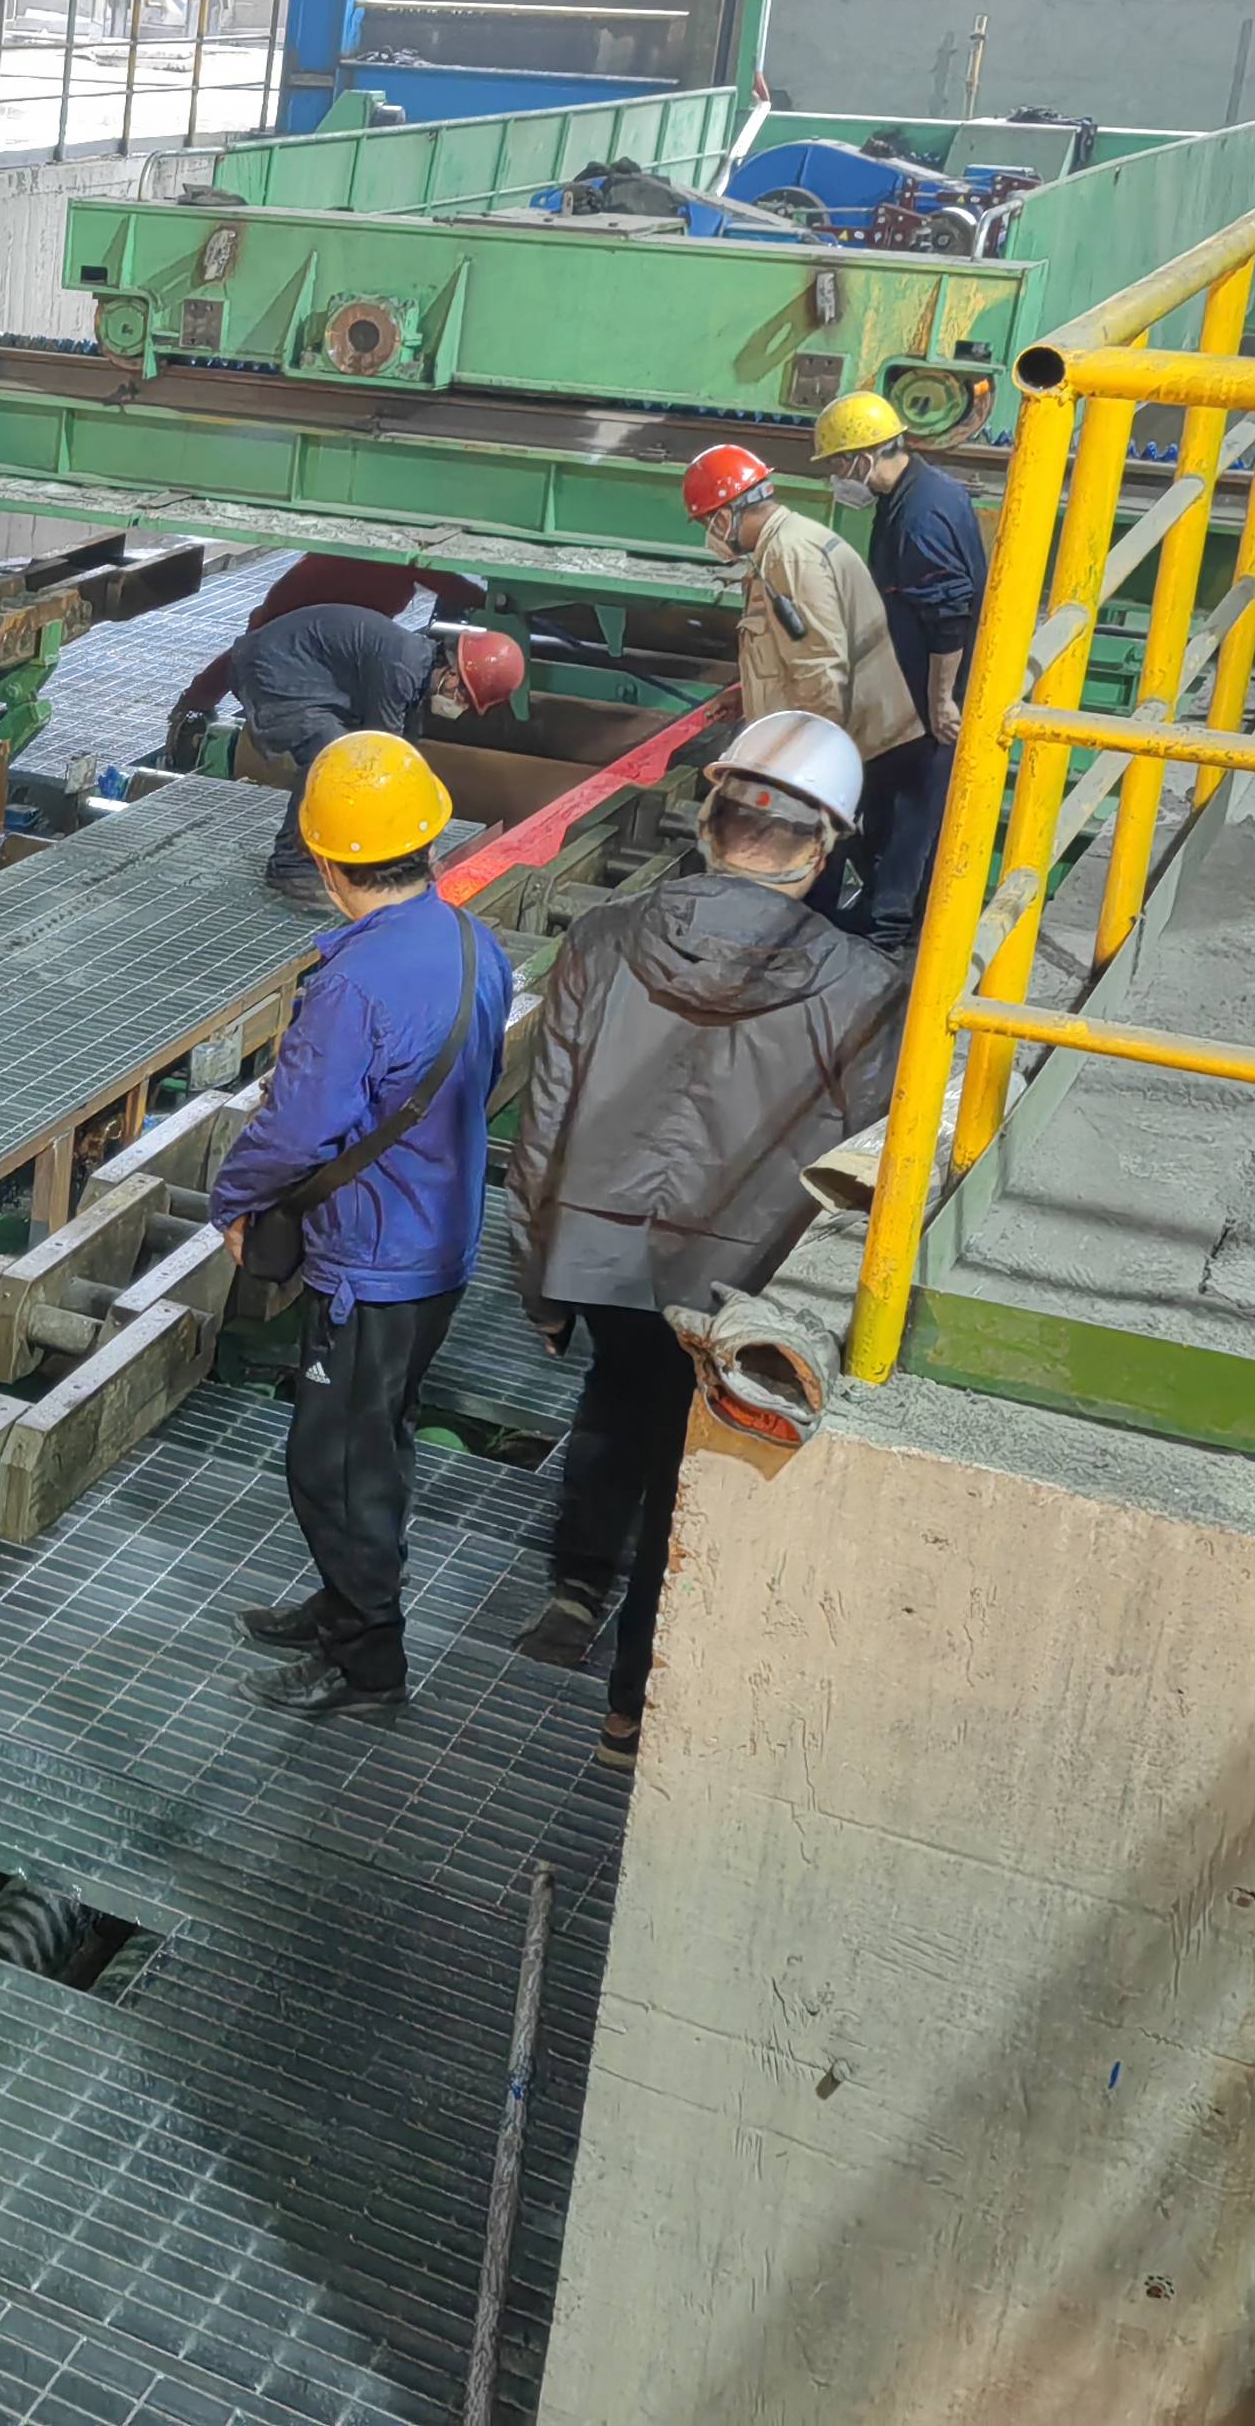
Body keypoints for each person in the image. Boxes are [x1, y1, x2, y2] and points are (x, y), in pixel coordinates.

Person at [505, 711, 905, 1767]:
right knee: (692, 1476)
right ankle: (629, 1712)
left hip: (598, 1256)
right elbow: (863, 1167)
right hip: (741, 1279)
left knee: (614, 1398)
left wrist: (538, 1282)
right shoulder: (866, 991)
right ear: (823, 851)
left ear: (709, 819)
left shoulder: (603, 939)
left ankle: (572, 1590)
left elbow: (543, 1123)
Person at [206, 731, 514, 1718]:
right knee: (374, 1437)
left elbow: (297, 1129)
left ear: (329, 862)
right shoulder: (473, 943)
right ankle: (345, 1603)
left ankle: (368, 1660)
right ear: (426, 840)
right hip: (440, 1243)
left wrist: (232, 1201)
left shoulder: (352, 985)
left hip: (373, 1266)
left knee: (335, 1464)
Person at [177, 602, 528, 896]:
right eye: (463, 695)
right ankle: (290, 867)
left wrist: (418, 844)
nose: (459, 706)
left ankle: (336, 851)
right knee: (332, 757)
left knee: (354, 760)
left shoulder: (416, 667)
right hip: (272, 668)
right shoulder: (401, 667)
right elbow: (379, 754)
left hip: (307, 675)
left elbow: (406, 754)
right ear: (452, 673)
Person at [814, 390, 985, 945]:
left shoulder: (920, 517)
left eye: (838, 465)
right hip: (906, 682)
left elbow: (948, 618)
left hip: (929, 690)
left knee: (914, 807)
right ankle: (882, 912)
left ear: (863, 458)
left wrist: (941, 701)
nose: (836, 478)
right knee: (889, 799)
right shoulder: (916, 492)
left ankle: (890, 931)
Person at [683, 445, 921, 801]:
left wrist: (806, 770)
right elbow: (795, 648)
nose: (710, 537)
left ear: (723, 518)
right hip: (858, 736)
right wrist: (749, 697)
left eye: (707, 524)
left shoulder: (790, 556)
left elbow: (820, 669)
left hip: (854, 748)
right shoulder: (786, 542)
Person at [166, 555, 495, 764]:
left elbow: (447, 584)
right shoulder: (384, 562)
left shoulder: (404, 561)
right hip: (307, 612)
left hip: (333, 621)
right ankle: (191, 710)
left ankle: (196, 700)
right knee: (261, 651)